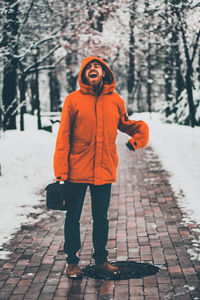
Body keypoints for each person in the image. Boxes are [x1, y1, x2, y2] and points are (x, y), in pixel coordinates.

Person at [54, 56, 149, 278]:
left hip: (104, 168)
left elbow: (126, 124)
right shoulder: (73, 100)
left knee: (101, 218)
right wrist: (61, 172)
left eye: (97, 66)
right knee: (73, 217)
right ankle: (72, 262)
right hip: (77, 169)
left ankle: (101, 261)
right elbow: (63, 137)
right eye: (88, 67)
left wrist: (139, 134)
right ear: (84, 74)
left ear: (104, 73)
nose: (93, 69)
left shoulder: (115, 100)